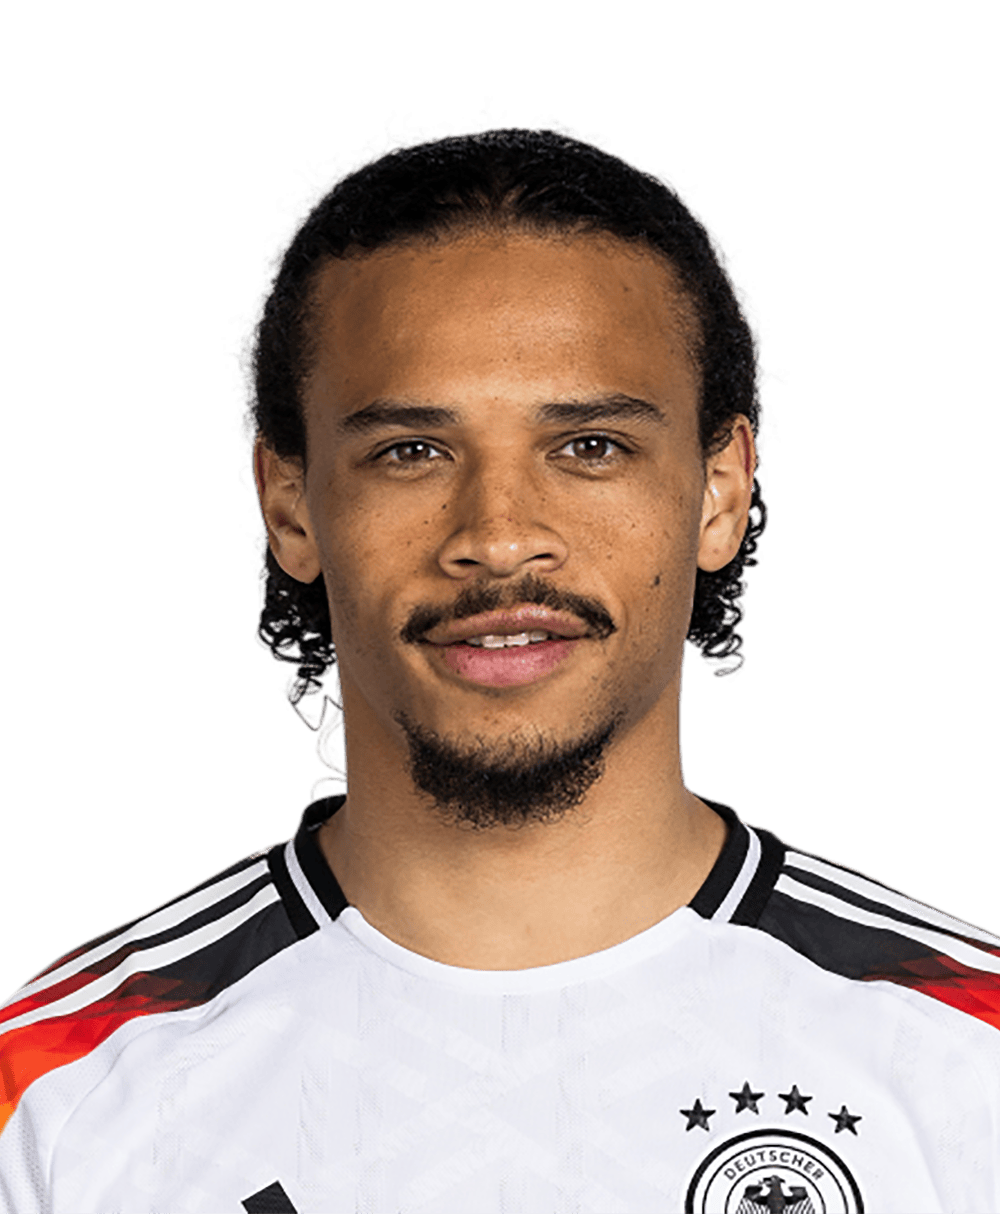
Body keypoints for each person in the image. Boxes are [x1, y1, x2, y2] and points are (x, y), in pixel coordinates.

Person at [1, 117, 997, 1214]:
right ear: (290, 504)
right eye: (410, 451)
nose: (500, 535)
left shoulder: (968, 1059)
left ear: (720, 490)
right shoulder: (52, 1097)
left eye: (590, 447)